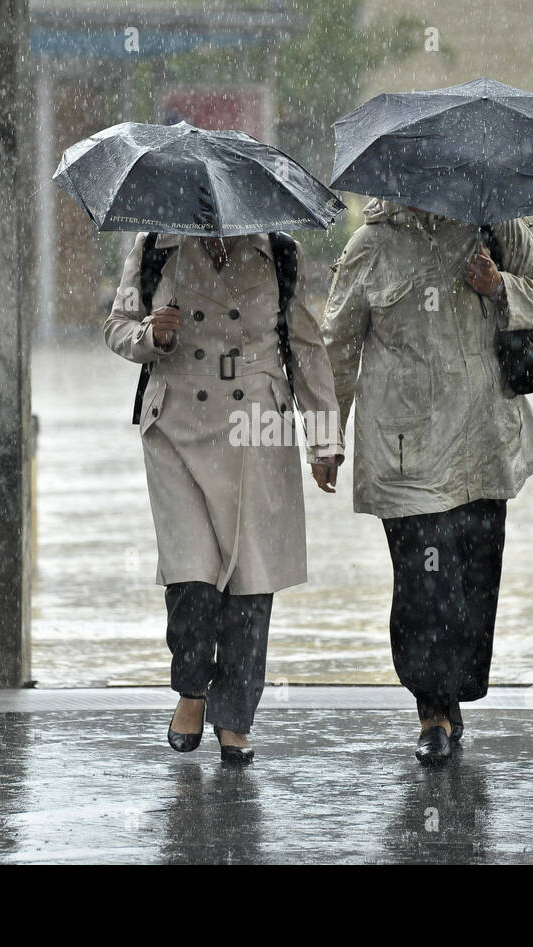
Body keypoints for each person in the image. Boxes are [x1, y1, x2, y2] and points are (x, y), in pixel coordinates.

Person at [322, 199, 533, 764]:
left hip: (484, 445)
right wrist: (326, 439)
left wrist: (501, 285)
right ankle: (432, 707)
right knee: (424, 583)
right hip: (404, 452)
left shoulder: (495, 224)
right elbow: (336, 346)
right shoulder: (371, 244)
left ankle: (453, 690)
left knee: (473, 581)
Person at [105, 231, 343, 764]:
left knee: (249, 582)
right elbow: (115, 328)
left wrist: (324, 440)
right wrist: (151, 334)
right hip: (177, 426)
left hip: (257, 426)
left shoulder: (280, 252)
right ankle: (192, 690)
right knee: (191, 573)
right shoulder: (155, 247)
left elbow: (306, 348)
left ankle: (234, 715)